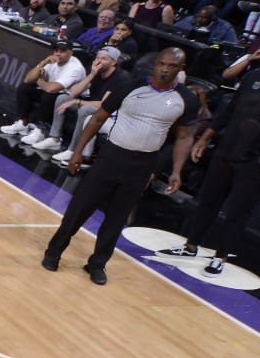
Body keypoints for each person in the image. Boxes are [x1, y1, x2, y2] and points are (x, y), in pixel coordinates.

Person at [43, 47, 203, 284]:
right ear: (156, 63)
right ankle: (54, 251)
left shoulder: (186, 99)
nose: (166, 68)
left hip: (143, 163)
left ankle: (97, 263)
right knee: (81, 206)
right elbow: (98, 118)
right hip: (112, 155)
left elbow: (184, 137)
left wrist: (177, 171)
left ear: (181, 69)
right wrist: (78, 152)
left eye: (172, 66)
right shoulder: (131, 86)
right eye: (162, 63)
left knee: (118, 216)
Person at [158, 43, 260, 276]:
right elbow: (229, 110)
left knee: (237, 212)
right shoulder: (253, 75)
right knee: (207, 202)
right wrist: (204, 139)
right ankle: (190, 246)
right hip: (227, 150)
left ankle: (220, 257)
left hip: (253, 162)